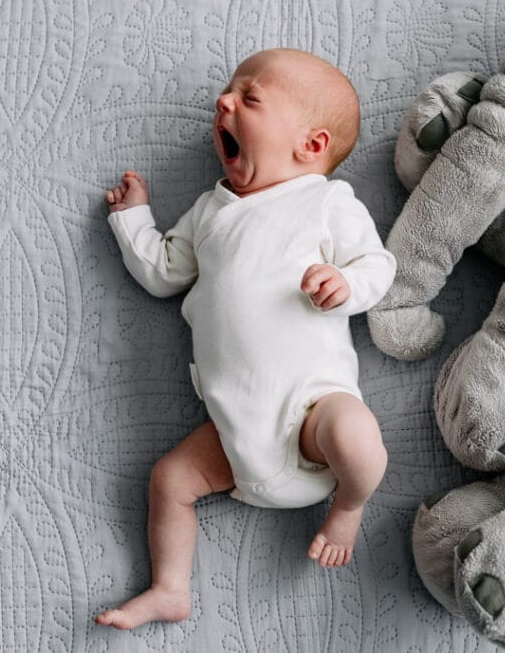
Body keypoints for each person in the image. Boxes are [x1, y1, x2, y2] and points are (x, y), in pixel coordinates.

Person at [95, 49, 395, 630]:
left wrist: (345, 283)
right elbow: (163, 272)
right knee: (169, 481)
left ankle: (350, 506)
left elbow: (376, 266)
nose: (223, 102)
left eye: (249, 98)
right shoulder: (211, 209)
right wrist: (134, 219)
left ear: (310, 146)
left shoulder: (326, 200)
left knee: (356, 435)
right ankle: (169, 587)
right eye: (229, 93)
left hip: (311, 413)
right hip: (234, 431)